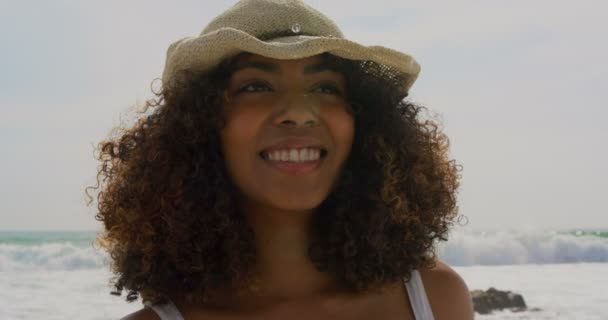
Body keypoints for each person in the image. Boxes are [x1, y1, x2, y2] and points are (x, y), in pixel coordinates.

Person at [89, 0, 473, 319]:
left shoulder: (436, 299)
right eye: (256, 85)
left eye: (324, 87)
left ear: (365, 121)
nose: (299, 112)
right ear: (199, 128)